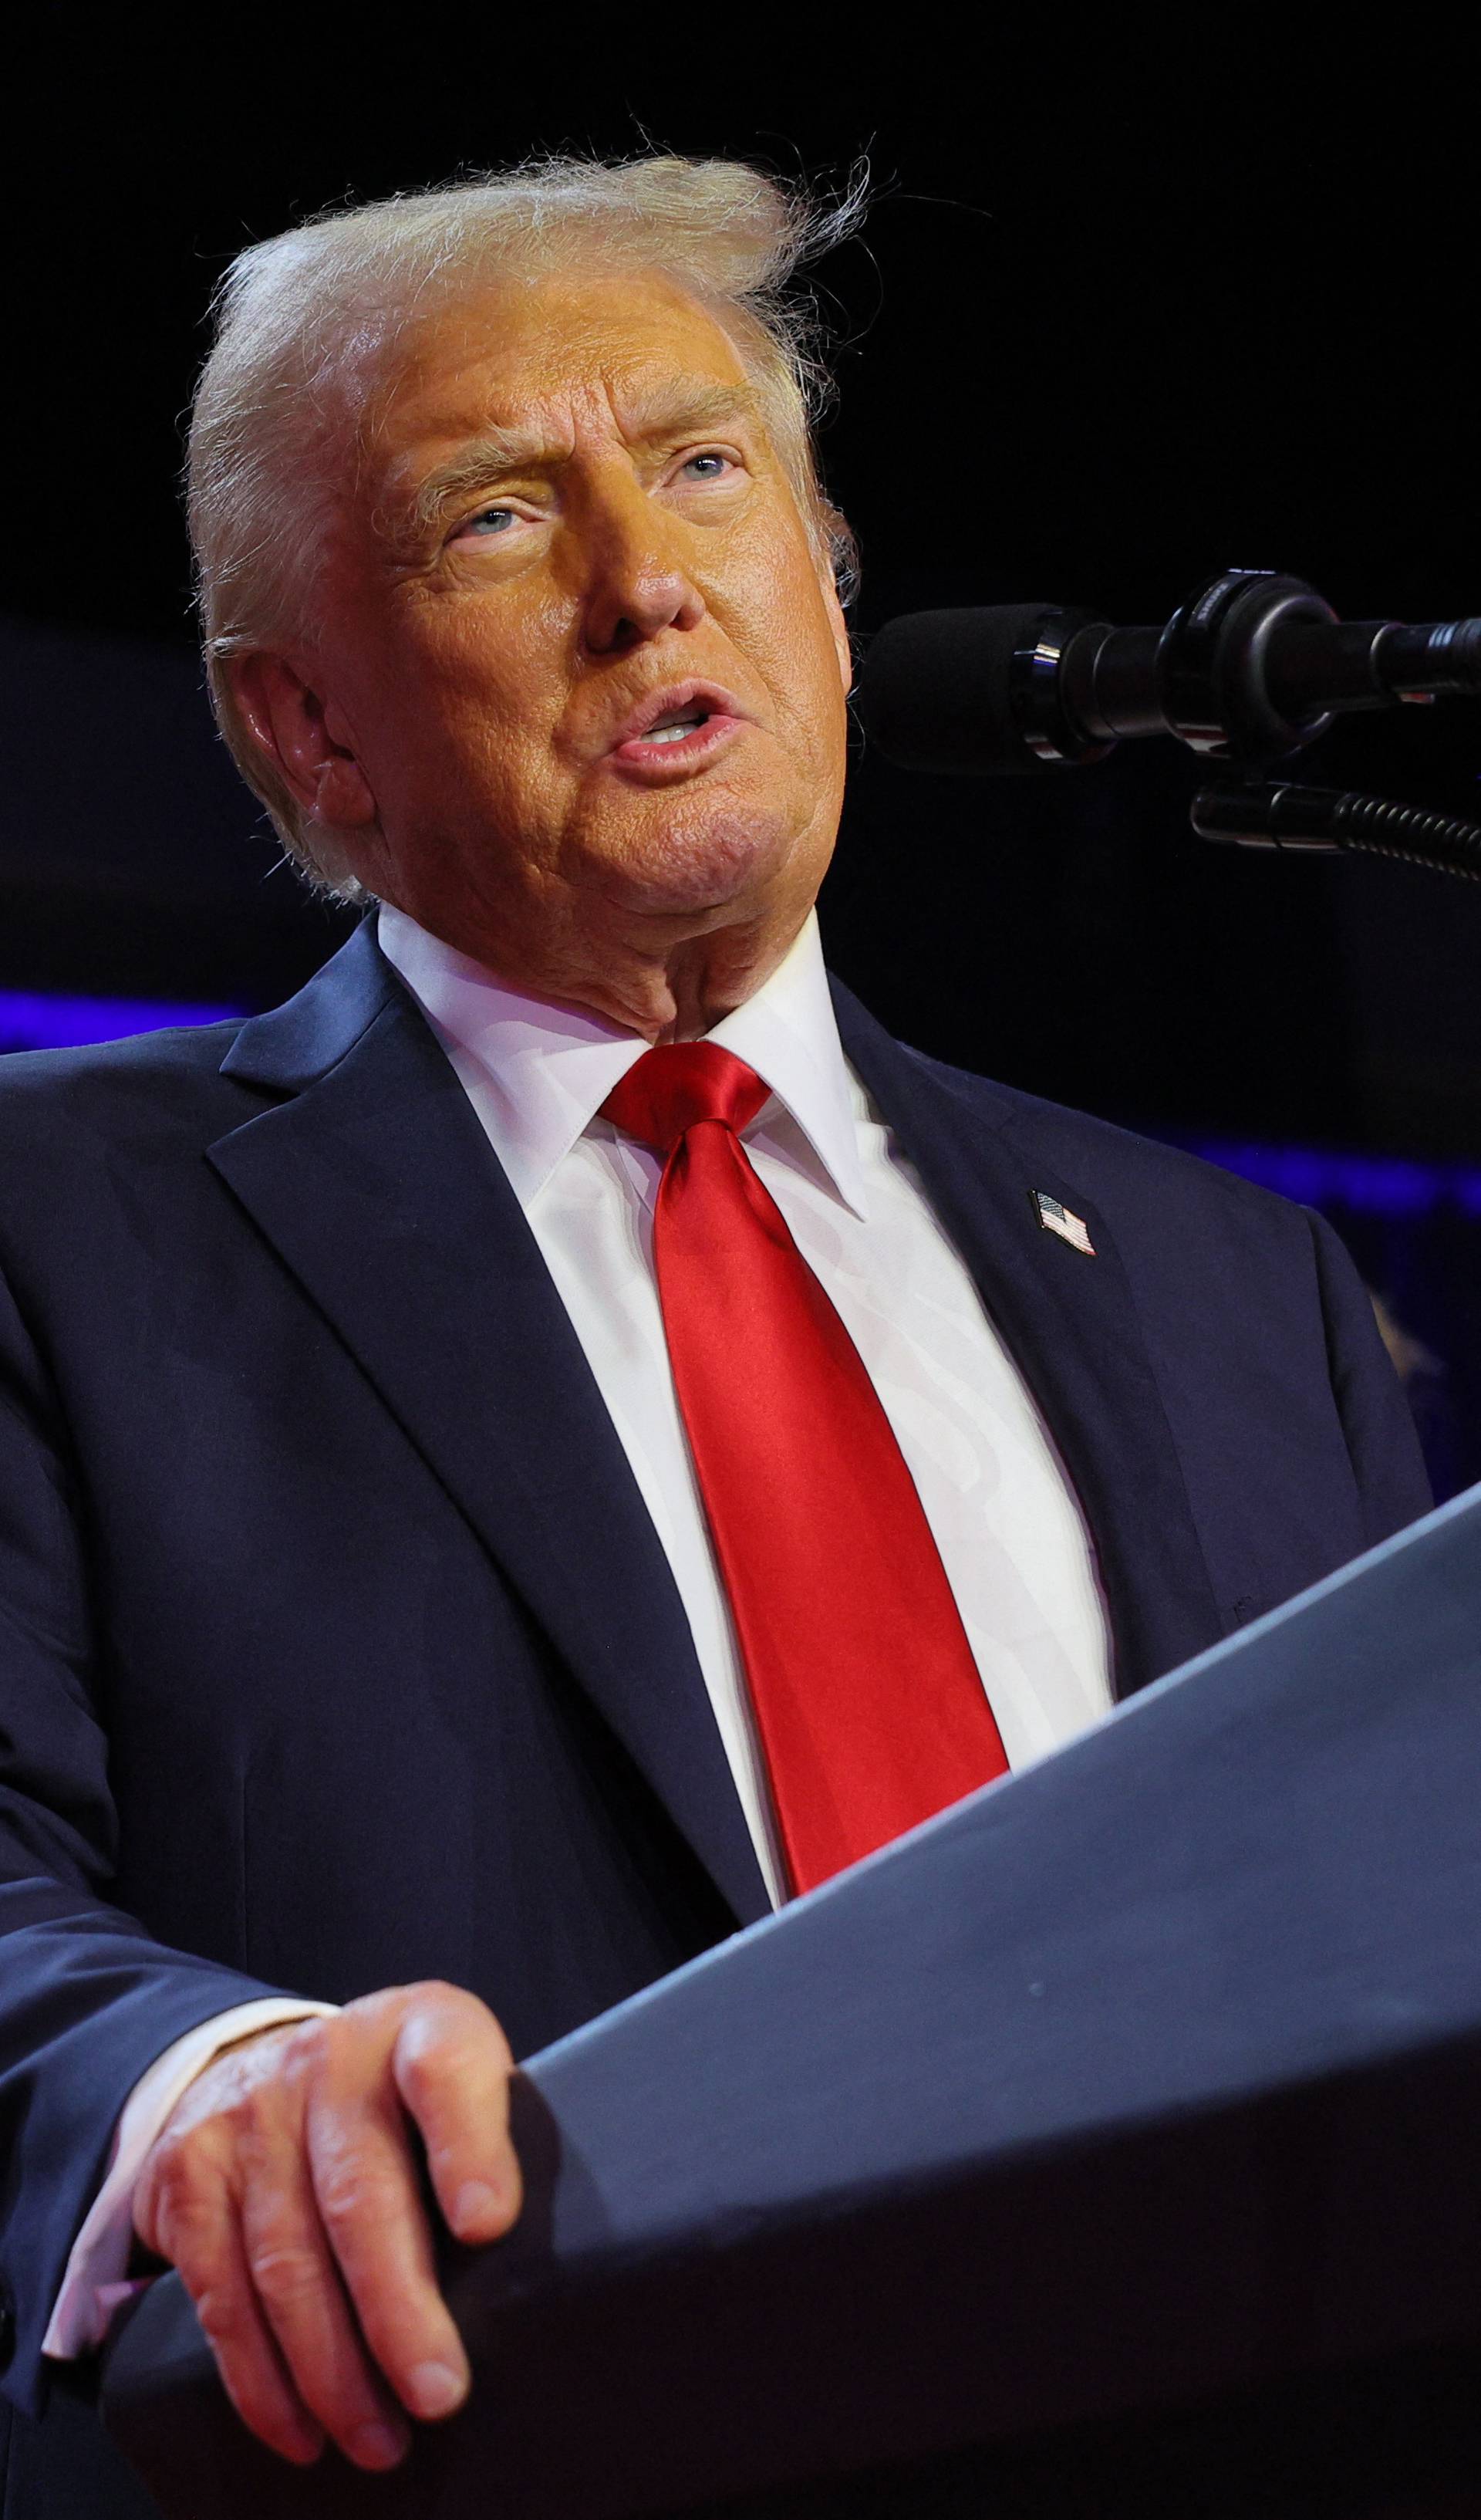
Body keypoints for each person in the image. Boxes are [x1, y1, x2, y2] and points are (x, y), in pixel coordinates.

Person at [0, 155, 1429, 2520]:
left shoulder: (1232, 1283)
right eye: (493, 518)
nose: (646, 579)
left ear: (832, 591)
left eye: (700, 468)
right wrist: (203, 2086)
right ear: (308, 734)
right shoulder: (63, 1220)